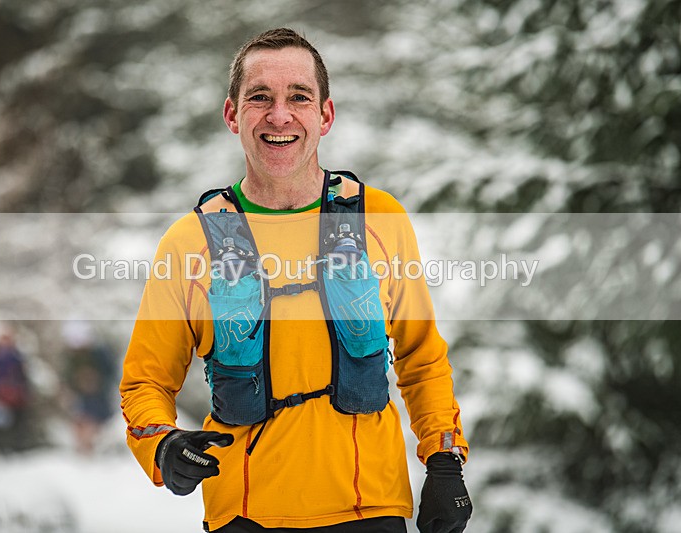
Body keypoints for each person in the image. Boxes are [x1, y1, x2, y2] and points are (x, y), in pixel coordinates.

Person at [120, 28, 472, 532]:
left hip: (371, 509)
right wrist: (162, 445)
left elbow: (422, 358)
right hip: (244, 516)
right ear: (232, 115)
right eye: (260, 97)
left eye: (299, 97)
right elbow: (146, 381)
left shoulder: (379, 219)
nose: (279, 115)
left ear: (325, 115)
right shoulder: (189, 242)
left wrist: (444, 461)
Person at [61, 320, 116, 454]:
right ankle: (84, 446)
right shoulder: (72, 356)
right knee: (82, 418)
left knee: (95, 420)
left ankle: (95, 445)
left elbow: (111, 373)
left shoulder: (100, 353)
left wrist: (96, 381)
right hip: (81, 395)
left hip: (99, 395)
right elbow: (67, 375)